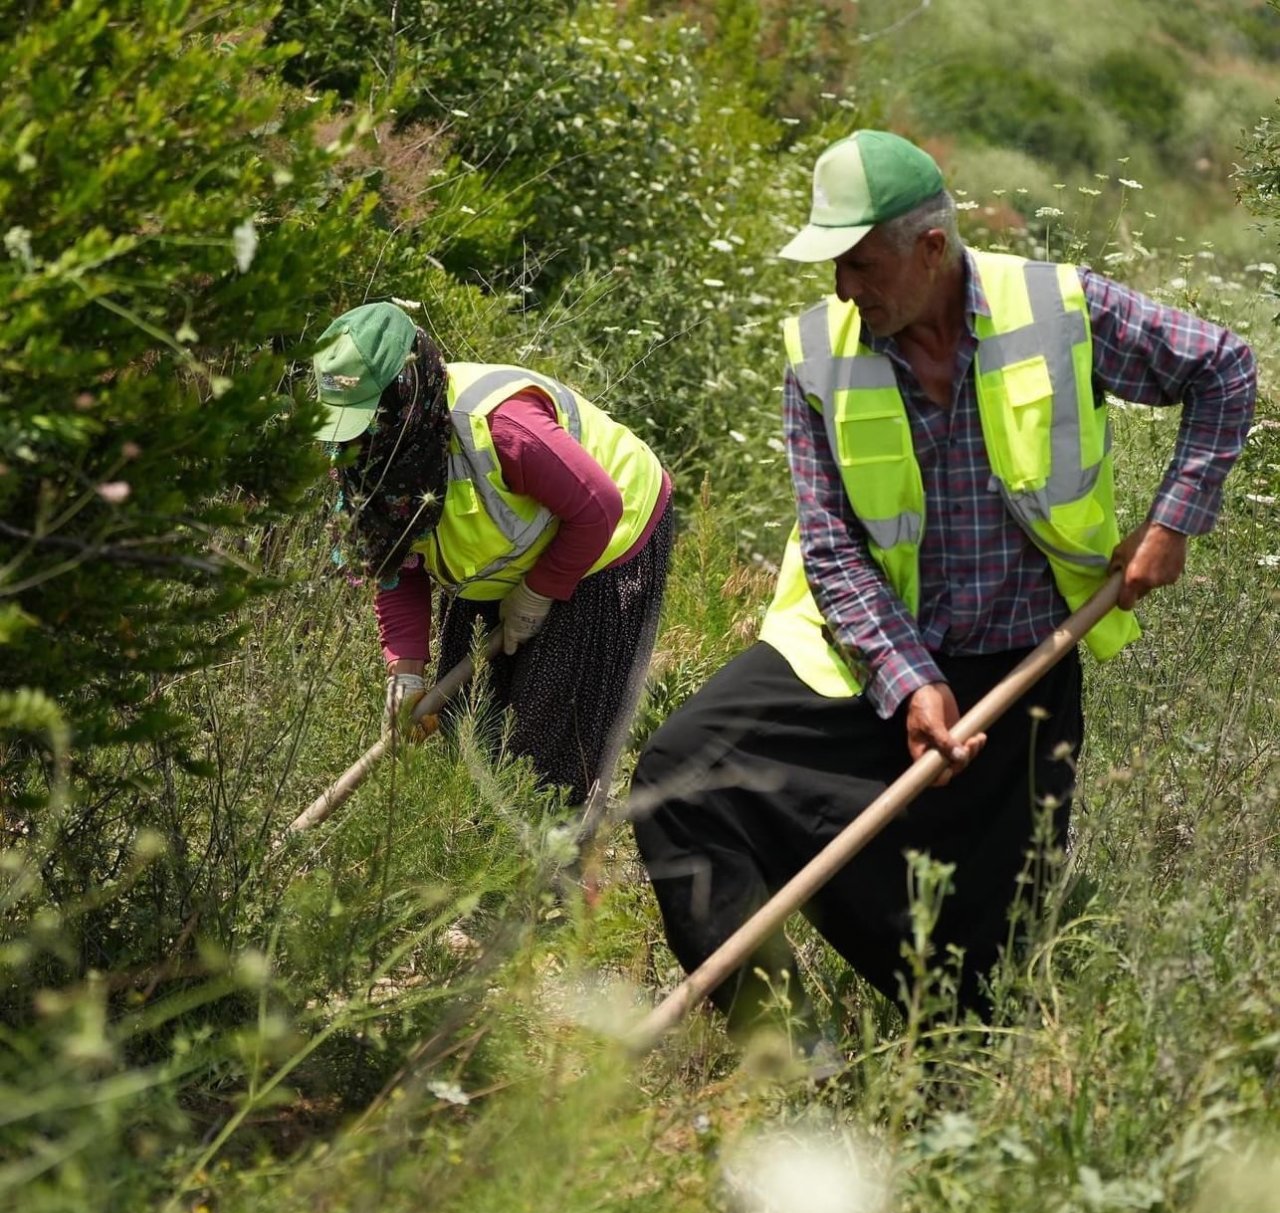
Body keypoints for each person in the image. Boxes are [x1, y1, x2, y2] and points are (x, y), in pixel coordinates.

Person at [631, 130, 1256, 1050]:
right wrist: (910, 679)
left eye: (860, 262)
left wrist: (1174, 523)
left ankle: (953, 1086)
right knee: (682, 776)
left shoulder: (1058, 310)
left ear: (931, 248)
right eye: (834, 265)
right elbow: (832, 543)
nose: (845, 288)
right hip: (860, 654)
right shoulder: (818, 355)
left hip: (1024, 663)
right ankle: (791, 1059)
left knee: (984, 977)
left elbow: (1224, 368)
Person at [313, 301, 673, 812]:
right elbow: (395, 563)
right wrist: (406, 672)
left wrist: (538, 592)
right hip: (499, 563)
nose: (359, 438)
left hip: (607, 544)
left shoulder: (498, 425)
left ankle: (554, 877)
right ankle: (475, 869)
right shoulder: (363, 458)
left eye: (367, 417)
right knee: (467, 727)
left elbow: (598, 508)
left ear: (404, 393)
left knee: (543, 747)